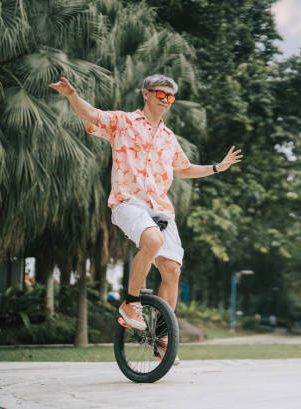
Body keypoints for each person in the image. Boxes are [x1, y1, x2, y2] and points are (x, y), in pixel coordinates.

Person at [49, 74, 243, 361]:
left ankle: (161, 338)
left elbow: (185, 169)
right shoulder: (123, 123)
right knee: (151, 240)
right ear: (147, 94)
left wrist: (217, 167)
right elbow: (91, 115)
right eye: (160, 94)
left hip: (161, 207)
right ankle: (130, 303)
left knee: (172, 270)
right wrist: (71, 95)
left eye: (170, 97)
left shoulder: (168, 137)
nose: (165, 100)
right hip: (128, 202)